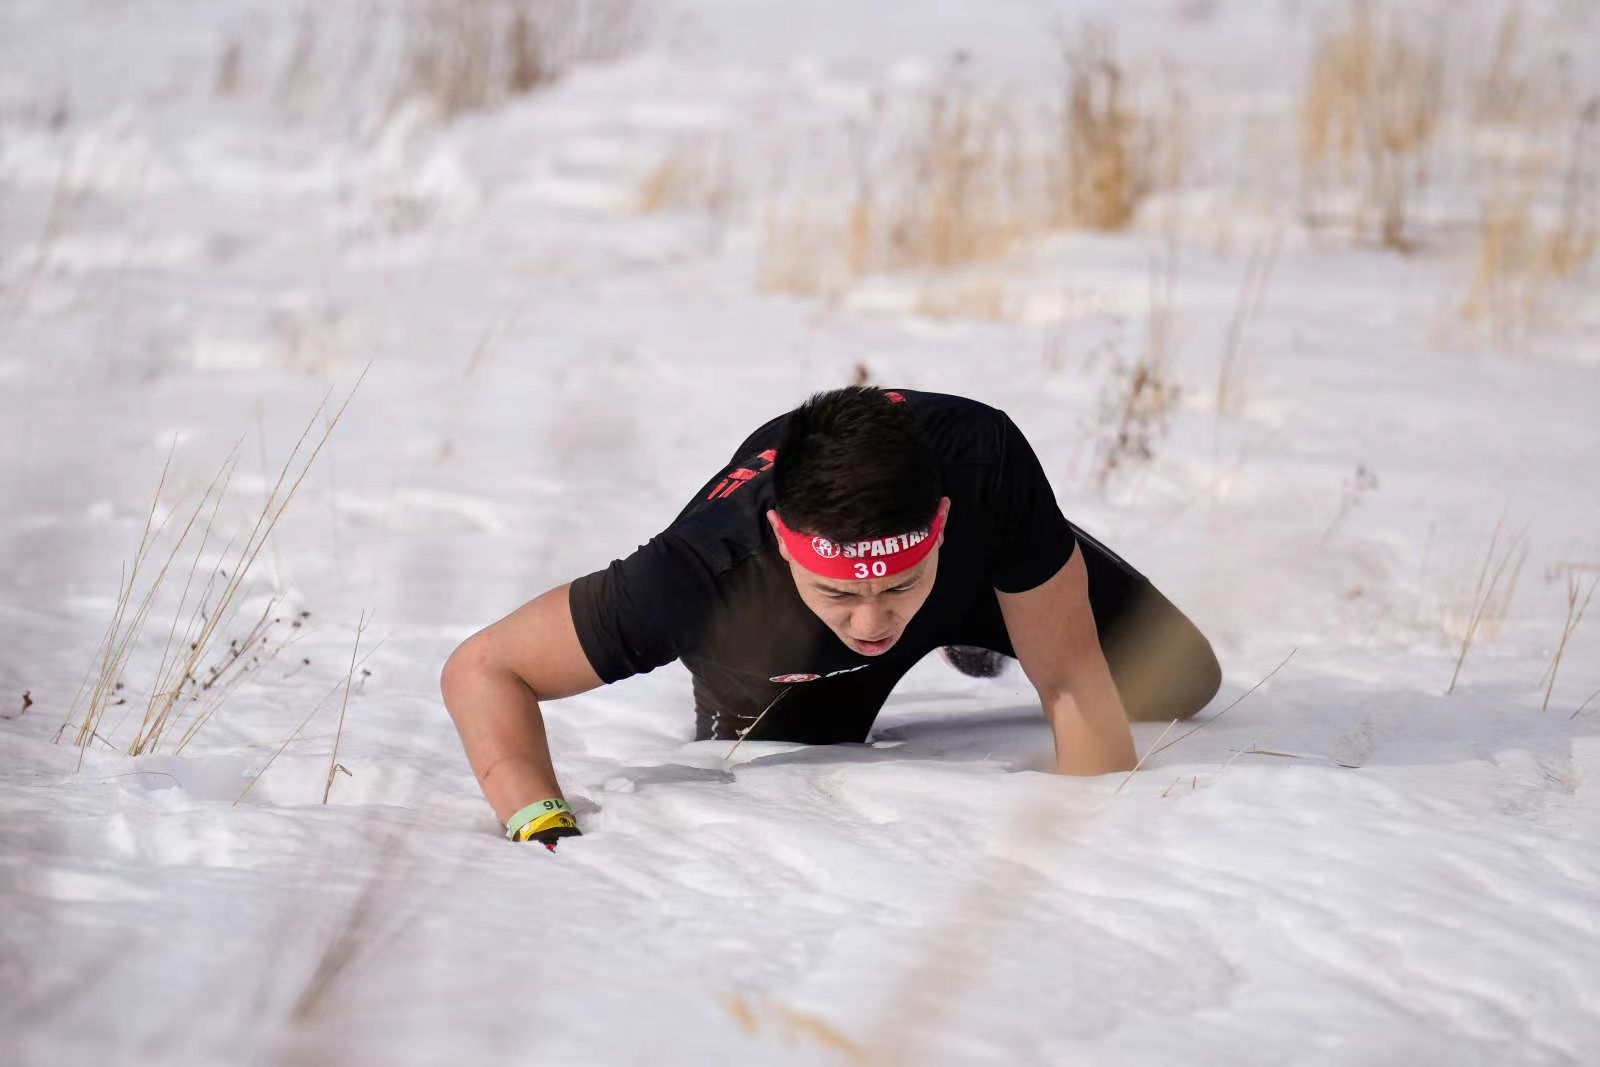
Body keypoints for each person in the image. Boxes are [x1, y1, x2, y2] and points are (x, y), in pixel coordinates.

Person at [441, 387, 1221, 847]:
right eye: (841, 593)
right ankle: (910, 602)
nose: (873, 620)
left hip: (978, 577)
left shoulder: (988, 467)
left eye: (896, 585)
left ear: (941, 522)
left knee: (1183, 677)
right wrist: (542, 825)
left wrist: (1103, 858)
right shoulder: (702, 573)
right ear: (782, 541)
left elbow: (1075, 684)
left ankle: (975, 623)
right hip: (779, 656)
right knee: (781, 785)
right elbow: (484, 668)